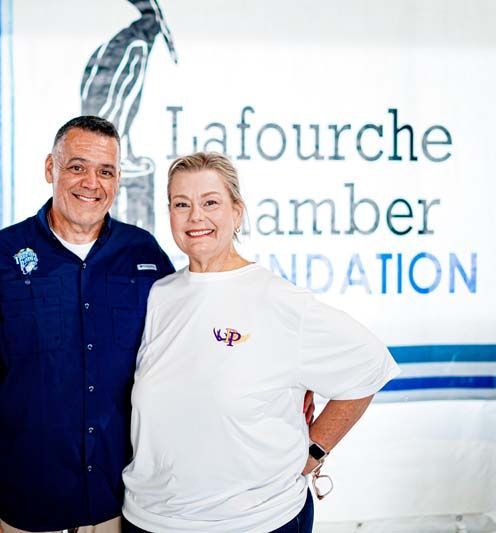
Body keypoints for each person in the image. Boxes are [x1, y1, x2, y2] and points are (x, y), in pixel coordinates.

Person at [121, 152, 400, 533]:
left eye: (210, 203)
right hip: (150, 520)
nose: (195, 217)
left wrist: (314, 452)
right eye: (181, 204)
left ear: (238, 212)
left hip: (256, 521)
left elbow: (371, 364)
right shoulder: (159, 295)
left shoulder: (277, 300)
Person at [0, 116, 175, 533]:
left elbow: (187, 351)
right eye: (77, 166)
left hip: (121, 510)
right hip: (22, 511)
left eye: (106, 171)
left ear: (118, 180)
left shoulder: (146, 256)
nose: (91, 183)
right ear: (51, 168)